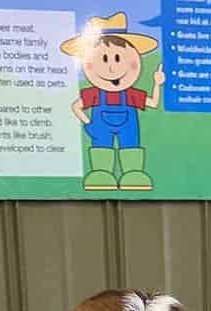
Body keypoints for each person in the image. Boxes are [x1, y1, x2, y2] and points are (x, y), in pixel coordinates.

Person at [62, 12, 165, 191]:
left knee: (130, 145)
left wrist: (157, 83)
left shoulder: (131, 94)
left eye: (118, 58)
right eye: (104, 59)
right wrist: (89, 123)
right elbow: (75, 107)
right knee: (102, 148)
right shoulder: (94, 93)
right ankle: (101, 173)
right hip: (101, 128)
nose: (111, 67)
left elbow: (153, 103)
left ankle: (133, 174)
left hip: (128, 127)